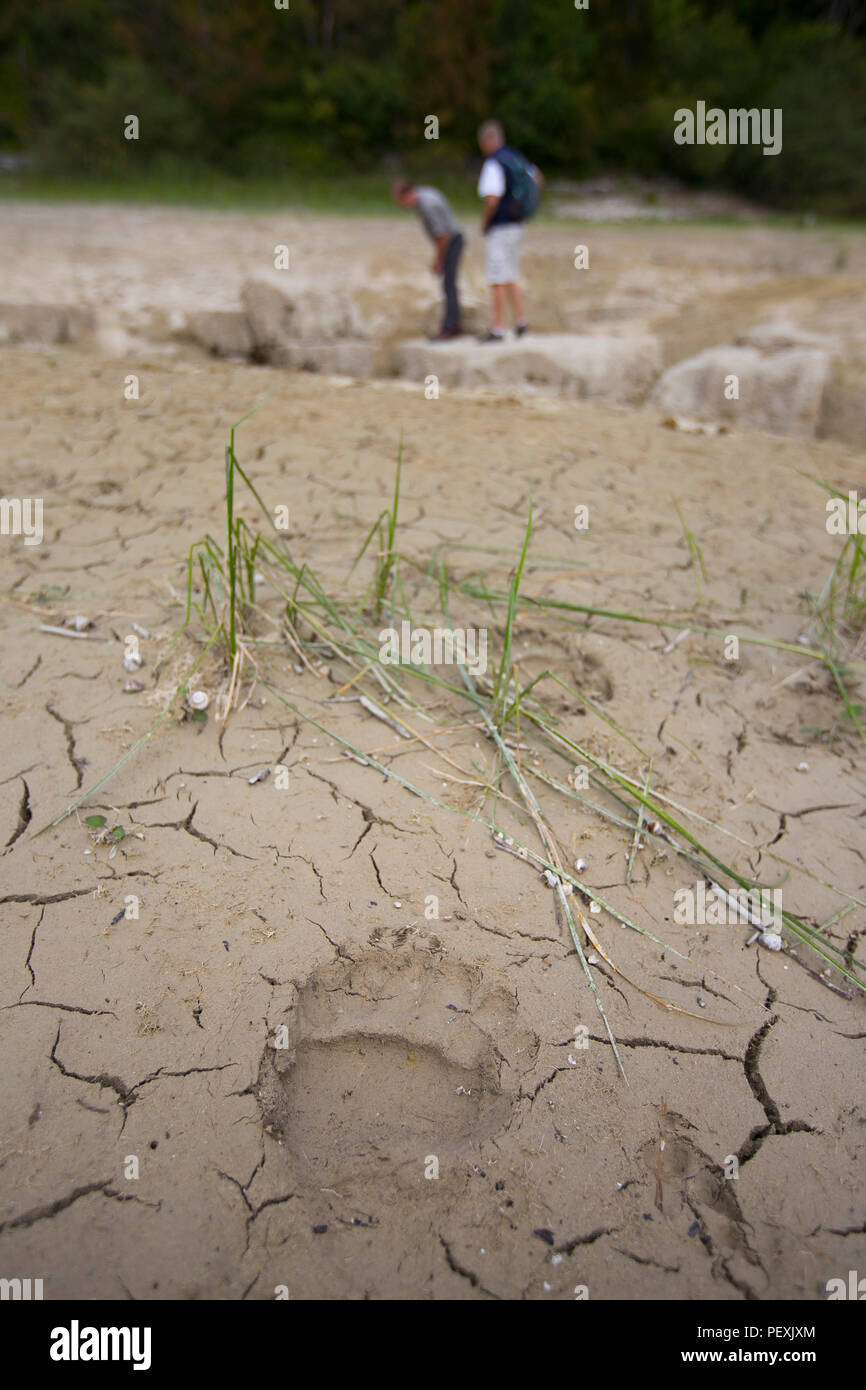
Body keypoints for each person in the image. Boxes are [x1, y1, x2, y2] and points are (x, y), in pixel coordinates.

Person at [476, 119, 543, 342]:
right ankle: (521, 322)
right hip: (517, 223)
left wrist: (485, 223)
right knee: (510, 273)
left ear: (487, 141)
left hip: (501, 225)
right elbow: (538, 178)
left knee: (496, 275)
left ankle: (497, 328)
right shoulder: (515, 157)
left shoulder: (494, 163)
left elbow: (492, 199)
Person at [392, 180, 464, 340]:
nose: (401, 207)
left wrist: (438, 261)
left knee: (449, 284)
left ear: (407, 195)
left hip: (452, 241)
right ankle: (452, 324)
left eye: (400, 202)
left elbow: (443, 236)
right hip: (451, 240)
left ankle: (451, 327)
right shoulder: (424, 195)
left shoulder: (427, 205)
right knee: (449, 284)